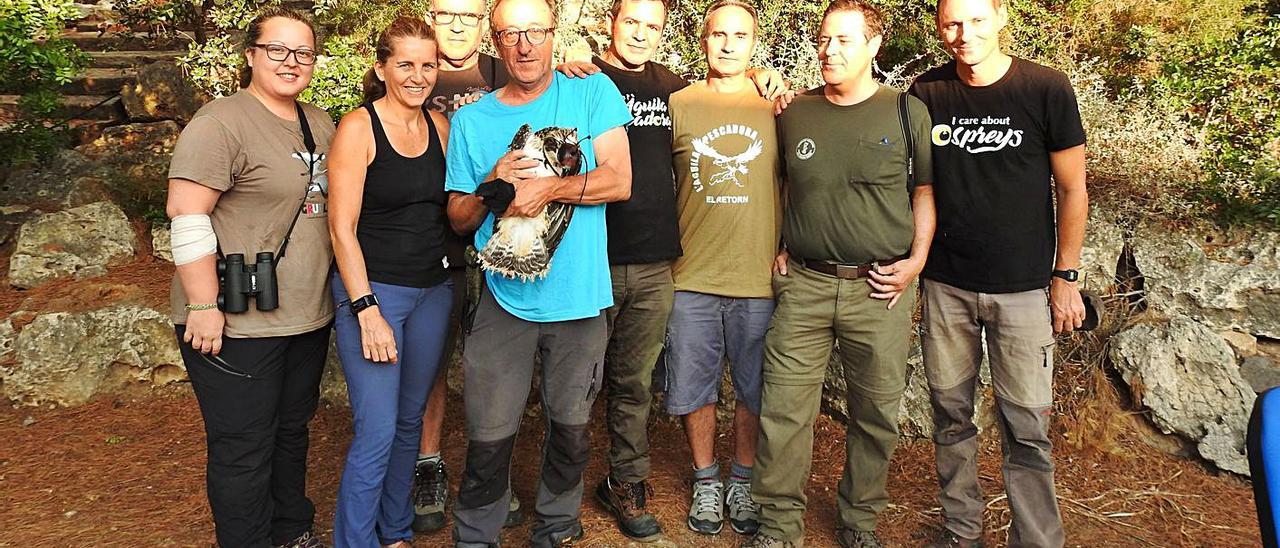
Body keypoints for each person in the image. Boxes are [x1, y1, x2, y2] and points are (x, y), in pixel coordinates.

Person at [551, 1, 789, 539]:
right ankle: (558, 501)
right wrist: (567, 55)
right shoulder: (581, 78)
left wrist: (761, 76)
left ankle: (627, 483)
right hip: (593, 260)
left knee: (635, 385)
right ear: (609, 23)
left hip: (659, 264)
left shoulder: (673, 90)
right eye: (630, 21)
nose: (640, 34)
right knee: (574, 384)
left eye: (652, 25)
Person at [443, 0, 633, 545]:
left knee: (572, 430)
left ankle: (557, 526)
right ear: (494, 41)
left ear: (555, 34)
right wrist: (492, 180)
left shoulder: (591, 92)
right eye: (510, 33)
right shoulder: (472, 120)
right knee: (488, 432)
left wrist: (546, 188)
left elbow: (619, 180)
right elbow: (458, 219)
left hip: (578, 297)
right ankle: (476, 534)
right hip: (502, 299)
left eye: (536, 31)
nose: (524, 44)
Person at [746, 2, 935, 547]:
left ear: (874, 48)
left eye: (844, 41)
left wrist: (916, 261)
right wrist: (781, 242)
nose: (829, 51)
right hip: (803, 285)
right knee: (783, 410)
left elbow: (923, 193)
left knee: (876, 414)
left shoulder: (906, 113)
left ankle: (859, 523)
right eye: (824, 39)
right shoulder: (794, 112)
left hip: (881, 291)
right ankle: (779, 527)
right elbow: (777, 183)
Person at [909, 0, 1088, 546]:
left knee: (1028, 427)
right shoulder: (927, 92)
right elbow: (916, 182)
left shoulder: (1045, 89)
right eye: (951, 23)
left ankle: (1036, 540)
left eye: (977, 20)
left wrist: (1067, 275)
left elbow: (1073, 188)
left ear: (1001, 17)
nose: (964, 34)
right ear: (939, 27)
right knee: (950, 415)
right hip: (946, 284)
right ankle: (962, 531)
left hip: (1024, 289)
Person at [165, 6, 334, 548]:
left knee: (290, 435)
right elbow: (188, 217)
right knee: (243, 445)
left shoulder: (319, 122)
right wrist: (201, 305)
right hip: (235, 322)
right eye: (276, 50)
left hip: (304, 316)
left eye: (303, 53)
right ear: (250, 54)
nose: (291, 62)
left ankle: (291, 532)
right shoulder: (220, 123)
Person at [327, 17, 454, 548]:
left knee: (408, 424)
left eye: (428, 65)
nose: (418, 75)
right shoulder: (359, 127)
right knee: (377, 430)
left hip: (433, 292)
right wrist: (366, 308)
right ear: (381, 68)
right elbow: (340, 226)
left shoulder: (442, 128)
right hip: (376, 292)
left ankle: (395, 532)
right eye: (405, 64)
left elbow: (452, 211)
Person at [667, 0, 781, 537]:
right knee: (695, 388)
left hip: (758, 277)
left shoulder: (779, 107)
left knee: (755, 390)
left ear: (755, 43)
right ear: (703, 40)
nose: (729, 44)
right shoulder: (678, 104)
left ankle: (743, 478)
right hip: (691, 275)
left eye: (740, 35)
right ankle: (706, 479)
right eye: (719, 34)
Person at [412, 0, 522, 535]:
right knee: (431, 365)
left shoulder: (507, 66)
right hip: (428, 245)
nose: (457, 24)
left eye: (468, 15)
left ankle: (493, 475)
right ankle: (428, 464)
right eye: (445, 13)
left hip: (500, 244)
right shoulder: (411, 67)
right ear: (430, 18)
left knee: (498, 371)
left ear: (486, 24)